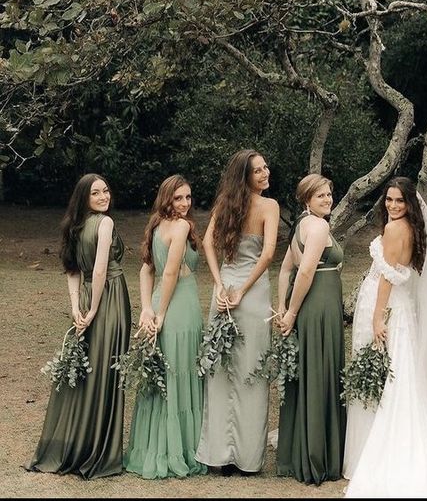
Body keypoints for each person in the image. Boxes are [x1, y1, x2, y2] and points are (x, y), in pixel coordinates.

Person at [343, 177, 427, 498]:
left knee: (388, 380)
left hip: (389, 310)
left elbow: (388, 278)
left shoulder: (394, 229)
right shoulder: (411, 229)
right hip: (403, 311)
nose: (392, 206)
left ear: (409, 204)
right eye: (389, 200)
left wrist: (378, 317)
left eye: (399, 201)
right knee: (399, 377)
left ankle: (380, 453)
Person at [27, 173, 132, 479]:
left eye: (106, 191)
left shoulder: (73, 226)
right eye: (96, 193)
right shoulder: (105, 223)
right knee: (104, 370)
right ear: (84, 197)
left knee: (86, 371)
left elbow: (73, 271)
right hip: (108, 298)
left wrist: (77, 307)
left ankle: (75, 443)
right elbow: (99, 269)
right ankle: (98, 450)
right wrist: (95, 308)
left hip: (86, 298)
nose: (104, 197)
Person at [195, 149, 280, 473]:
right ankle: (245, 459)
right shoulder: (269, 206)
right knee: (249, 374)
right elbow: (269, 253)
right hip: (251, 294)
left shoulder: (225, 204)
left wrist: (220, 284)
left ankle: (221, 456)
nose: (265, 173)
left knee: (222, 372)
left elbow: (206, 244)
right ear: (245, 176)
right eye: (258, 170)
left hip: (227, 292)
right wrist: (240, 290)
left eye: (265, 167)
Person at [124, 174, 208, 478]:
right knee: (178, 372)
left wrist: (148, 308)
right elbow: (169, 273)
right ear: (167, 198)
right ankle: (180, 450)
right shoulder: (182, 226)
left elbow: (147, 271)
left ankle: (151, 448)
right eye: (178, 198)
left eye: (188, 197)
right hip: (179, 307)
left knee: (163, 377)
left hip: (161, 302)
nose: (185, 204)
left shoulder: (156, 225)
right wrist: (157, 314)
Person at [276, 173, 345, 485]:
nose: (327, 200)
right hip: (318, 306)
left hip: (316, 305)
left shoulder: (301, 224)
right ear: (306, 199)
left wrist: (282, 304)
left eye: (329, 194)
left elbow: (285, 269)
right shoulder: (318, 226)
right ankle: (319, 457)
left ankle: (305, 451)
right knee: (320, 372)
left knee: (312, 373)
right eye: (320, 196)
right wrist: (289, 312)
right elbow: (302, 273)